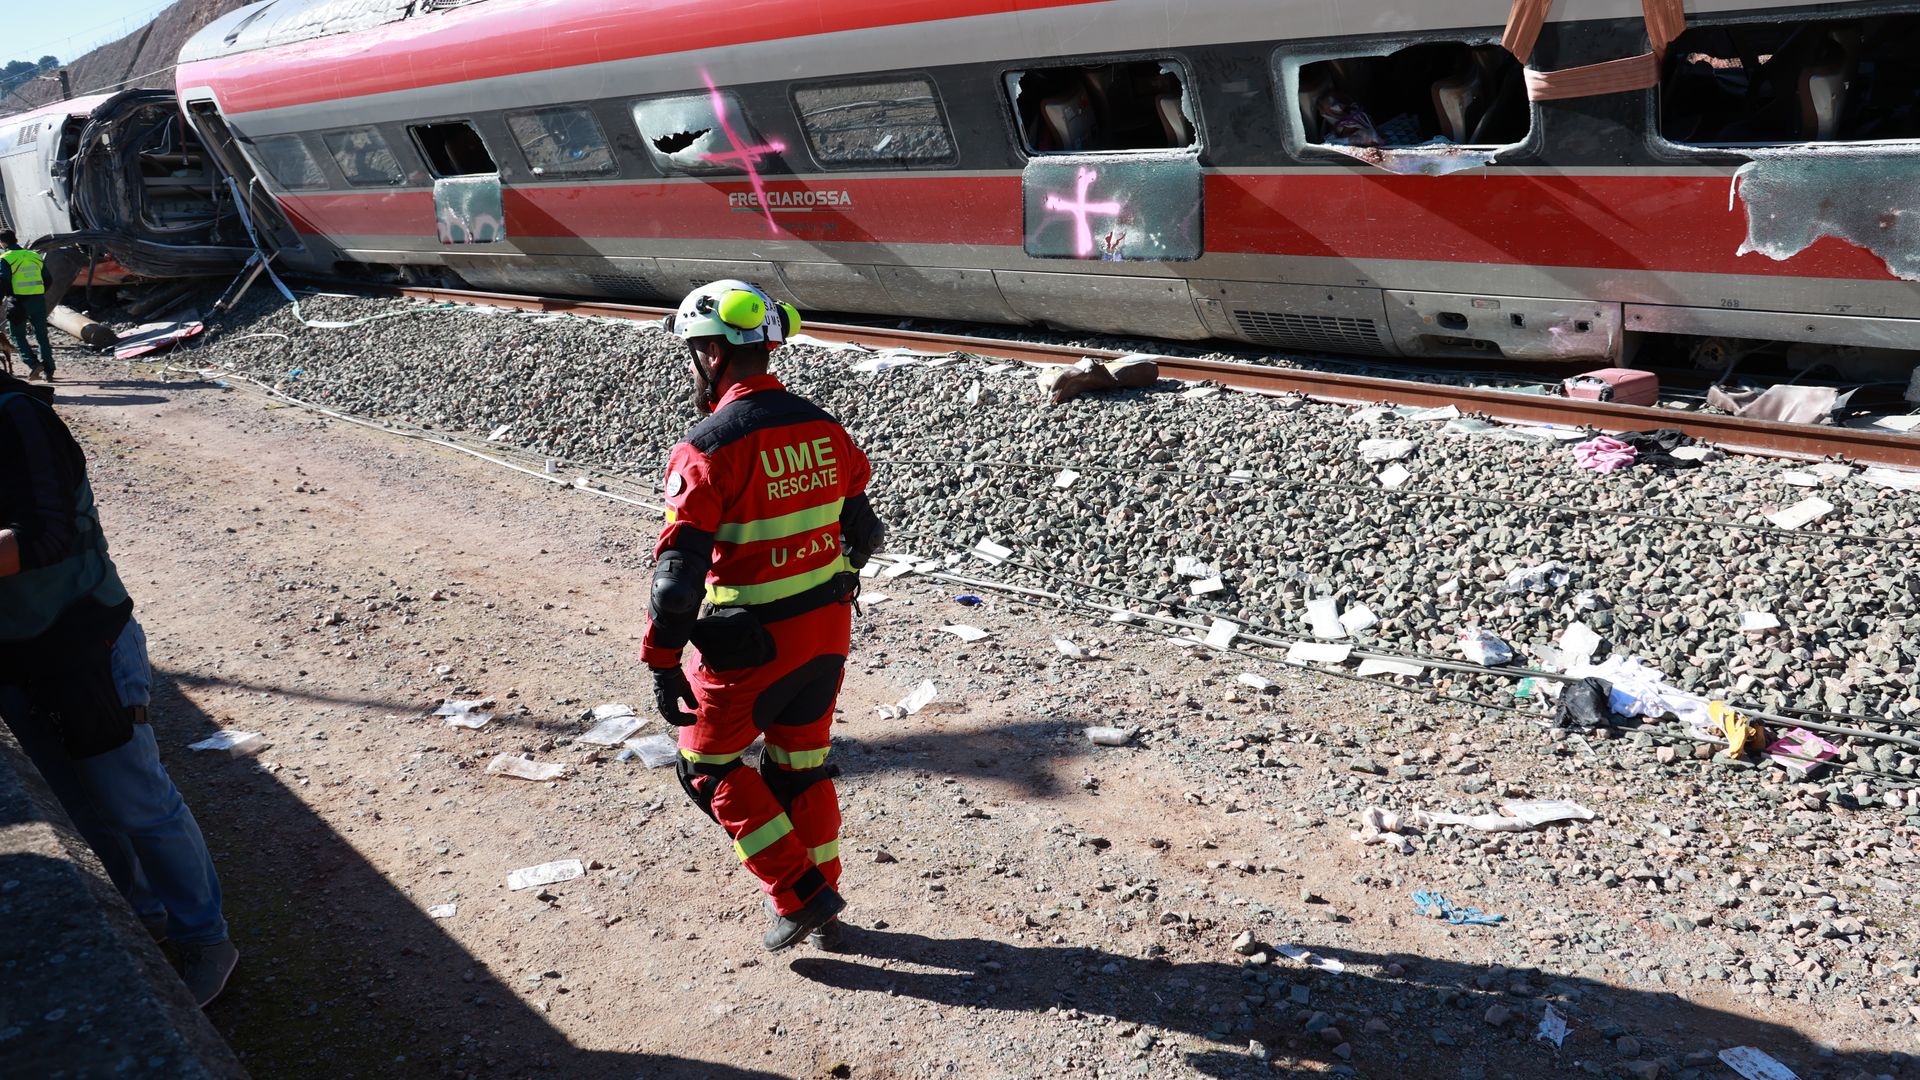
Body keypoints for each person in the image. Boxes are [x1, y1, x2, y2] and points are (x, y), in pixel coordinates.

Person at [641, 280, 885, 952]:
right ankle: (825, 899)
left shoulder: (708, 447)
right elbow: (865, 535)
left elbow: (675, 586)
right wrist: (833, 585)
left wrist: (663, 662)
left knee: (707, 767)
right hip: (827, 636)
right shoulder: (823, 428)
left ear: (713, 357)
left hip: (747, 649)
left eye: (696, 351)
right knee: (800, 768)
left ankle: (800, 896)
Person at [0, 368, 238, 1006]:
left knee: (135, 802)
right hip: (14, 653)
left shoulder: (18, 415)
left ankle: (207, 939)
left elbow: (45, 537)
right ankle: (148, 924)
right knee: (79, 808)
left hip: (84, 643)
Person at [1, 231, 54, 382]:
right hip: (38, 300)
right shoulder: (34, 256)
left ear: (3, 243)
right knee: (42, 336)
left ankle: (33, 364)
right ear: (16, 240)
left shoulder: (5, 258)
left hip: (19, 302)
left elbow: (3, 281)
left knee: (17, 334)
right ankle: (49, 370)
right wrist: (38, 292)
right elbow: (48, 279)